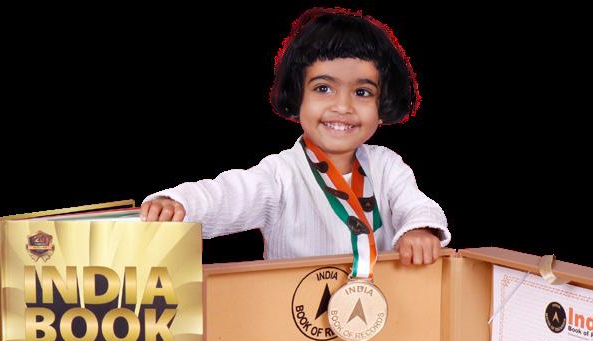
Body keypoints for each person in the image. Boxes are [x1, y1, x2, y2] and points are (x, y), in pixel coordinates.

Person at [141, 7, 450, 266]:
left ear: (382, 105)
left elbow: (417, 206)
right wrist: (178, 203)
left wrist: (419, 230)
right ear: (296, 95)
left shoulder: (388, 166)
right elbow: (227, 195)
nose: (343, 106)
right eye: (323, 88)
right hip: (293, 313)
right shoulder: (280, 174)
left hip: (380, 309)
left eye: (362, 92)